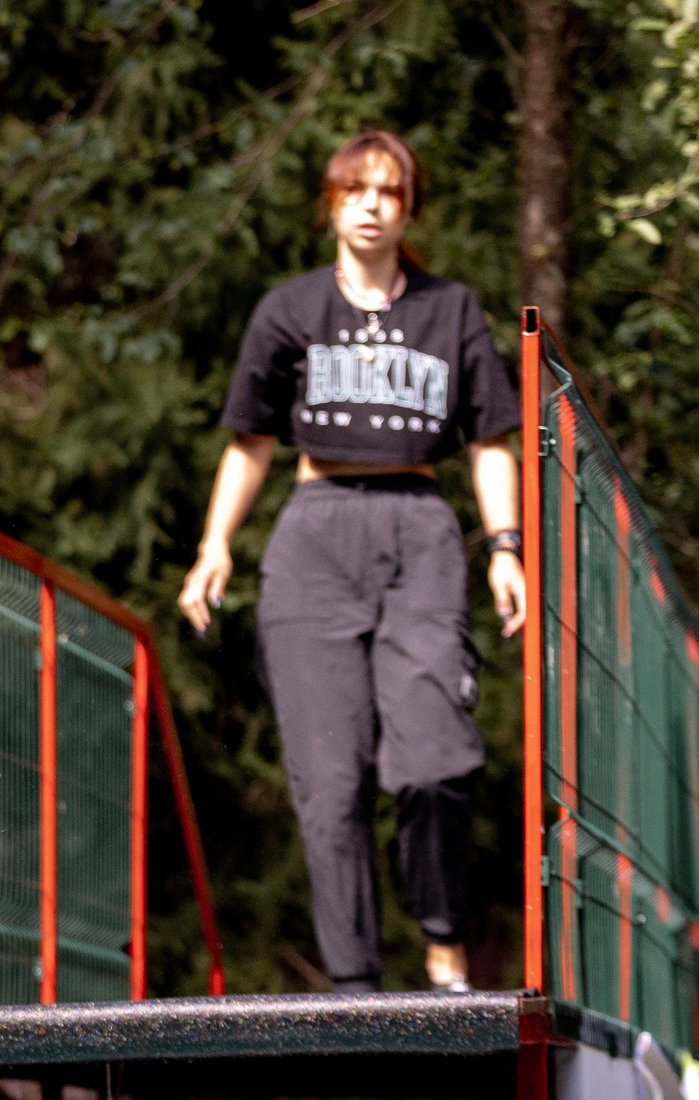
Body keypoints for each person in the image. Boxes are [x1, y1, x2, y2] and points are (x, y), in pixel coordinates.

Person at [178, 130, 524, 995]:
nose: (372, 203)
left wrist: (506, 548)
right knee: (330, 785)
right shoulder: (289, 310)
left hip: (421, 530)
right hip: (314, 538)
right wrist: (215, 545)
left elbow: (490, 442)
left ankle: (443, 938)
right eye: (356, 188)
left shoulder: (450, 311)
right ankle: (357, 988)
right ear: (331, 203)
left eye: (389, 190)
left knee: (435, 759)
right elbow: (249, 443)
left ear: (409, 208)